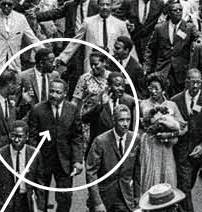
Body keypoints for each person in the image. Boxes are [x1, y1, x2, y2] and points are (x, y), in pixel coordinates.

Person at [26, 78, 85, 212]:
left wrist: (77, 160)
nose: (53, 95)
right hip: (43, 161)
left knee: (65, 198)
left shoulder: (73, 110)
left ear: (65, 93)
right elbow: (33, 138)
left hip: (64, 161)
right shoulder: (37, 109)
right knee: (41, 197)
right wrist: (33, 161)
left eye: (58, 92)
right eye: (51, 91)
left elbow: (77, 137)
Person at [172, 68, 202, 210]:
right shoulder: (175, 100)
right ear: (186, 82)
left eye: (198, 82)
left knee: (189, 185)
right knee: (185, 187)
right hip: (180, 153)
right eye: (192, 82)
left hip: (198, 154)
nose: (195, 86)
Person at [87, 104, 140, 212]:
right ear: (114, 121)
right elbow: (91, 173)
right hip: (104, 196)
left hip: (125, 197)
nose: (125, 124)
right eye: (121, 120)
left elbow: (138, 171)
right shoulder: (100, 141)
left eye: (128, 120)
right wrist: (97, 202)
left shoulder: (135, 139)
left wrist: (137, 198)